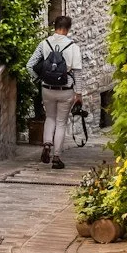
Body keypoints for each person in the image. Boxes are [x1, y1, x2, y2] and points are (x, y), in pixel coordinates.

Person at [26, 16, 83, 169]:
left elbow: (30, 65)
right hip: (66, 90)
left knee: (49, 117)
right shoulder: (73, 47)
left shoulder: (44, 44)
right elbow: (77, 73)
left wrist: (40, 78)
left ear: (54, 26)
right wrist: (79, 94)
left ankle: (46, 145)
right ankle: (56, 157)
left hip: (47, 88)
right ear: (68, 29)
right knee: (61, 122)